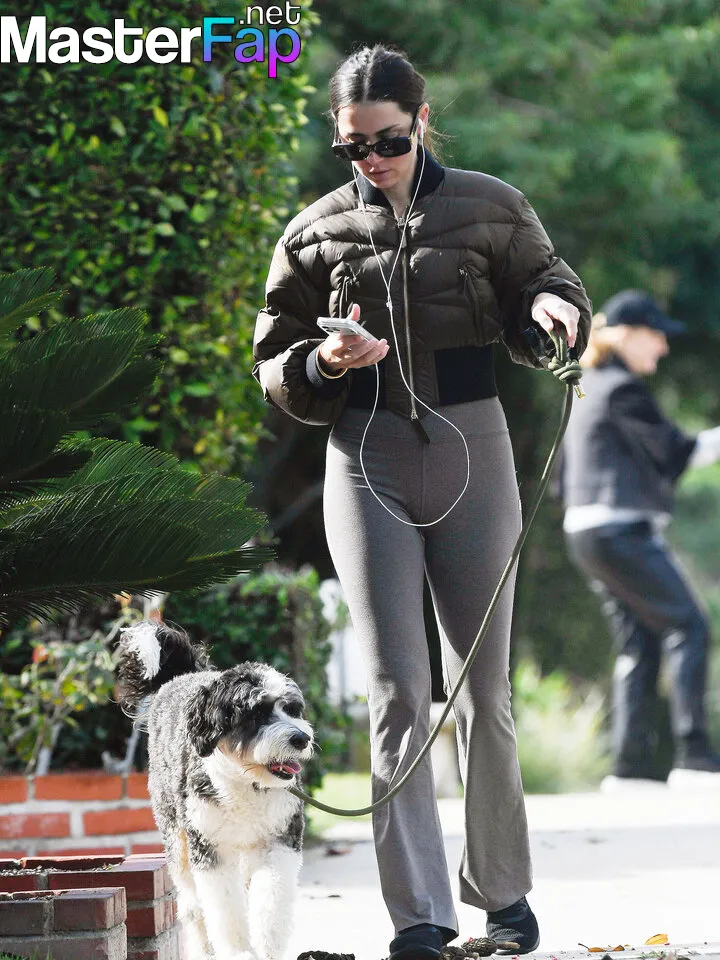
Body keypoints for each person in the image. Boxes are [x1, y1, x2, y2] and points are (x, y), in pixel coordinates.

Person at [253, 44, 592, 959]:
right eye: (353, 147)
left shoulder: (491, 205)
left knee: (484, 687)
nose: (372, 159)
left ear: (422, 123)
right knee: (398, 690)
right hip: (365, 458)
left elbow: (549, 284)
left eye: (389, 141)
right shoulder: (312, 233)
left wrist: (556, 313)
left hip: (473, 447)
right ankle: (420, 917)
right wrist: (324, 361)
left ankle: (505, 900)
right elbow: (274, 362)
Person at [560, 290, 720, 789]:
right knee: (689, 625)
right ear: (627, 335)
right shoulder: (621, 389)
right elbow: (677, 453)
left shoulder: (588, 387)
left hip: (585, 533)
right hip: (619, 531)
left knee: (640, 641)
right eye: (657, 336)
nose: (664, 347)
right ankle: (695, 758)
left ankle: (630, 770)